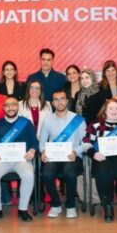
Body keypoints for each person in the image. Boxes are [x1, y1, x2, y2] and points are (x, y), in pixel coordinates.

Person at [0, 96, 38, 223]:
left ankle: (23, 209)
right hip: (2, 160)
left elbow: (35, 142)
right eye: (7, 105)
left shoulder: (26, 123)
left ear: (17, 106)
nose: (10, 108)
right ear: (3, 108)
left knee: (28, 174)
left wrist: (32, 150)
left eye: (13, 105)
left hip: (22, 160)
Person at [39, 89, 87, 218]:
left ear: (67, 101)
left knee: (69, 173)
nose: (59, 102)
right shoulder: (47, 120)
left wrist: (76, 152)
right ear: (52, 103)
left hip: (72, 156)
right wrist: (43, 151)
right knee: (47, 173)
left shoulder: (77, 120)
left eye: (62, 99)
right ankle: (56, 204)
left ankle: (70, 205)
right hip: (54, 157)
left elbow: (86, 142)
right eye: (56, 99)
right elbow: (42, 142)